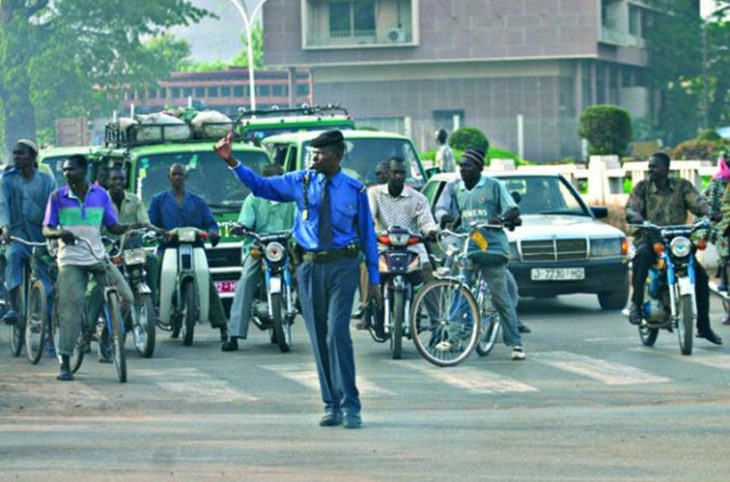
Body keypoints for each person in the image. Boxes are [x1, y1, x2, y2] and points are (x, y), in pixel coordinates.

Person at [215, 129, 380, 430]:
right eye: (312, 153)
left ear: (338, 155)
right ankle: (331, 404)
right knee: (318, 336)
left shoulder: (355, 190)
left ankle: (351, 405)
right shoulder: (300, 181)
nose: (314, 158)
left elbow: (368, 234)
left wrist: (375, 278)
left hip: (343, 266)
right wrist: (233, 162)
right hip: (308, 266)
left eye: (320, 153)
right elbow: (262, 187)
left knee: (336, 333)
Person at [43, 154, 145, 381]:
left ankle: (108, 334)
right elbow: (47, 229)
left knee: (126, 296)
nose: (68, 174)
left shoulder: (100, 196)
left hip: (97, 255)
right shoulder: (58, 197)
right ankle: (66, 361)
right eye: (66, 170)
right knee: (70, 306)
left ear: (84, 171)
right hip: (70, 259)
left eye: (72, 170)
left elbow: (112, 225)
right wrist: (60, 233)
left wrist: (130, 228)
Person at [434, 148, 525, 360]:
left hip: (492, 249)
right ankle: (453, 338)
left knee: (501, 297)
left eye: (468, 165)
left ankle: (516, 344)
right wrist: (449, 222)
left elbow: (513, 210)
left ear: (479, 168)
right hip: (470, 248)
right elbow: (461, 217)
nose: (463, 169)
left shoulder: (493, 186)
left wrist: (500, 219)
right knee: (460, 291)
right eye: (461, 166)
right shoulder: (458, 189)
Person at [626, 152, 722, 344]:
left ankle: (703, 327)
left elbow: (699, 203)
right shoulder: (642, 187)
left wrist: (710, 212)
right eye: (650, 166)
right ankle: (635, 305)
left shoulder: (681, 186)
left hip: (678, 239)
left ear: (667, 168)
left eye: (655, 166)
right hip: (651, 237)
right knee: (642, 256)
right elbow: (631, 207)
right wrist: (634, 215)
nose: (651, 170)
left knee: (701, 278)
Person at [85, 167, 160, 360]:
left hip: (132, 250)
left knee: (152, 260)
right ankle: (87, 332)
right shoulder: (100, 201)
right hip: (108, 252)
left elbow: (144, 222)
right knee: (95, 291)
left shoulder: (134, 200)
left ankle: (152, 303)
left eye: (121, 179)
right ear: (108, 182)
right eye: (114, 180)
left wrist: (155, 230)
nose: (118, 183)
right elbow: (95, 227)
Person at [147, 163, 228, 341]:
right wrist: (158, 233)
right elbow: (151, 223)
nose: (177, 177)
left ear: (186, 177)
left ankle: (222, 325)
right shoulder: (158, 201)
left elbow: (210, 222)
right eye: (174, 174)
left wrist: (213, 232)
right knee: (157, 272)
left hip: (195, 246)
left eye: (180, 174)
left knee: (205, 278)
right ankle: (151, 310)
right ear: (169, 177)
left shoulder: (197, 201)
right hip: (169, 247)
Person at [222, 163, 295, 352]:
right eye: (272, 182)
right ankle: (234, 334)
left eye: (280, 181)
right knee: (246, 279)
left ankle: (318, 325)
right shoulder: (253, 199)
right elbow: (244, 223)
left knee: (307, 274)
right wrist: (241, 228)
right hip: (258, 247)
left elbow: (301, 220)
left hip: (285, 247)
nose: (277, 186)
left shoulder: (292, 200)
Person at [0, 139, 56, 325]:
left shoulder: (47, 181)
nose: (16, 157)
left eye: (20, 154)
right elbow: (3, 204)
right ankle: (13, 307)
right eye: (14, 153)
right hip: (16, 236)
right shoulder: (7, 180)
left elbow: (53, 206)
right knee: (13, 256)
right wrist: (5, 226)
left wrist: (54, 230)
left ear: (32, 157)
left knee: (48, 283)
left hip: (41, 238)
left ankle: (48, 329)